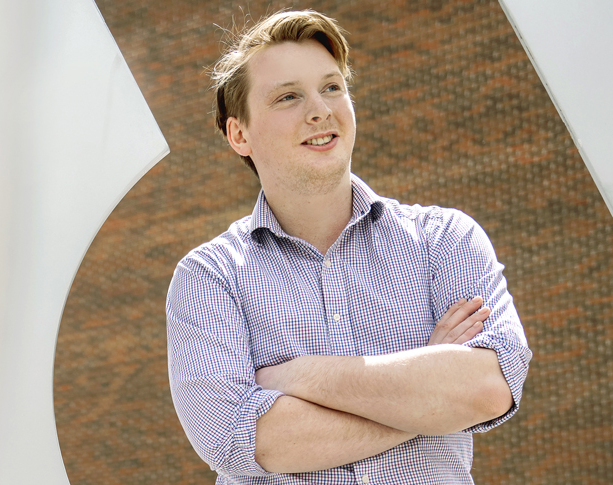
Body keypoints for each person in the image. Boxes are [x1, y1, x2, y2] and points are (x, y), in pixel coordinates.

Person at [166, 9, 531, 484]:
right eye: (288, 96)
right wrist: (423, 390)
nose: (320, 109)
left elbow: (486, 389)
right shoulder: (209, 277)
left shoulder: (445, 240)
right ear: (240, 134)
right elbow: (248, 441)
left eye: (332, 87)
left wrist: (301, 376)